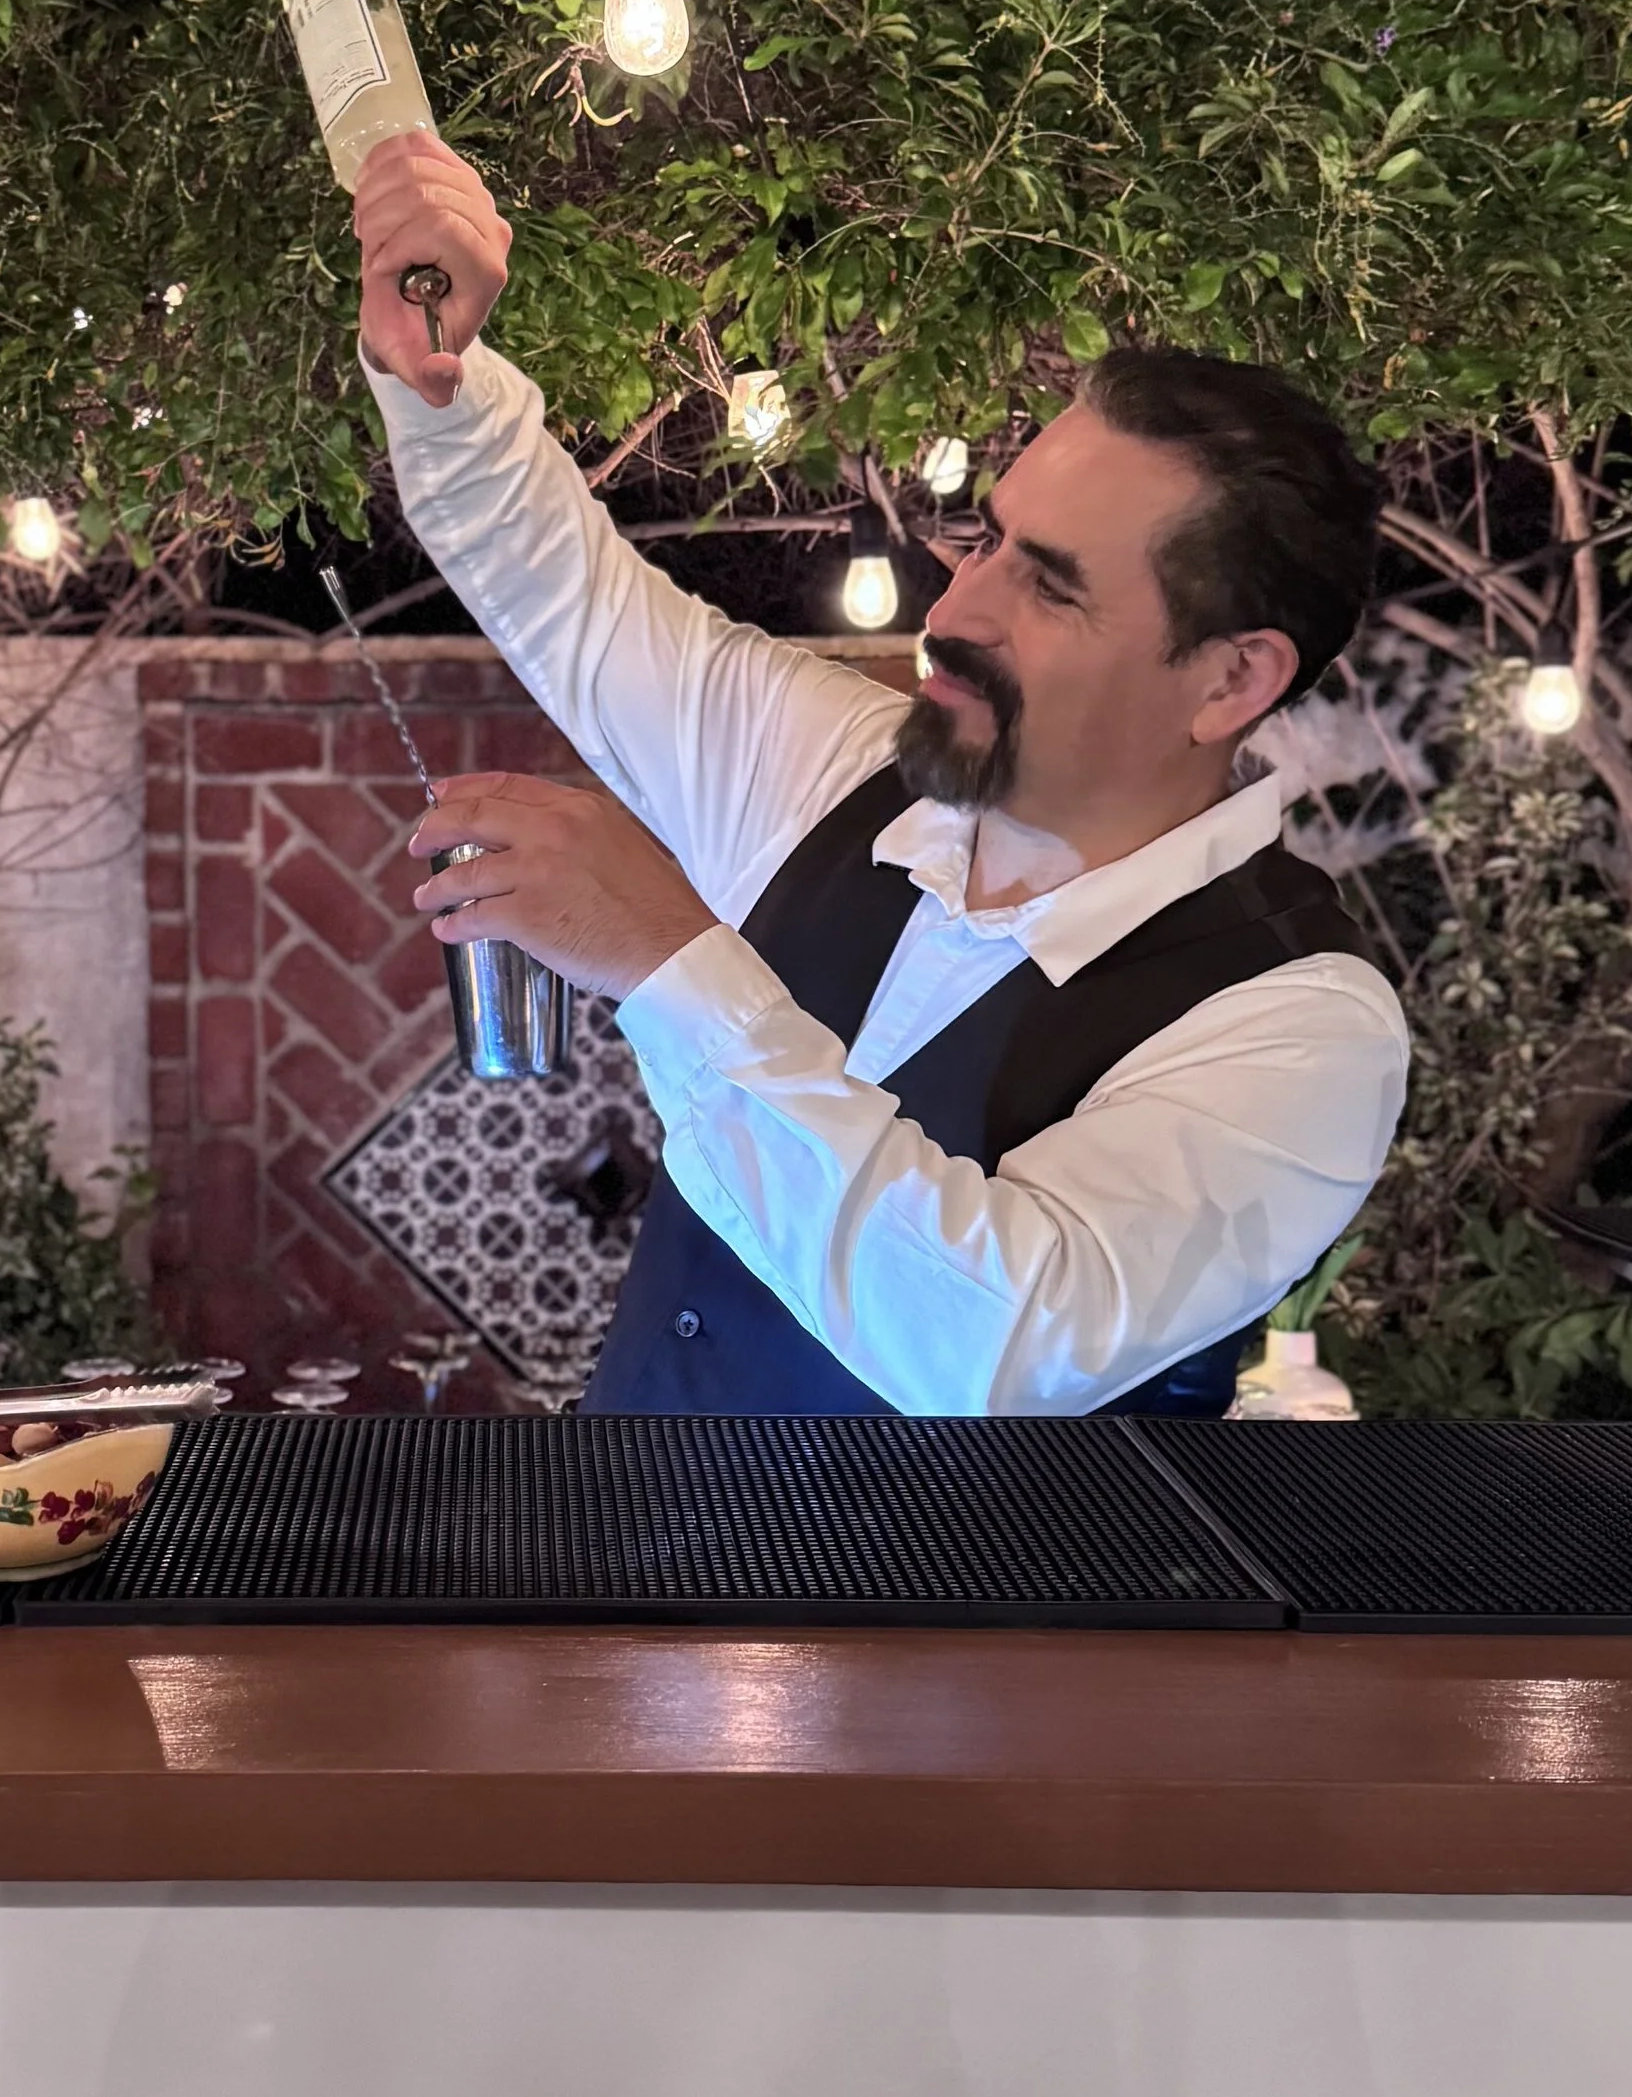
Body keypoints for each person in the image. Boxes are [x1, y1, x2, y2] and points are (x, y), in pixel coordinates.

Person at [351, 133, 1408, 1417]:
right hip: (627, 1573)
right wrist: (437, 368)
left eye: (1050, 587)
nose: (957, 612)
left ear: (1228, 682)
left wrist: (671, 963)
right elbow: (562, 593)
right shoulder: (841, 768)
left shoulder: (1298, 1023)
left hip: (961, 1621)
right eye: (987, 540)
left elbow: (995, 1347)